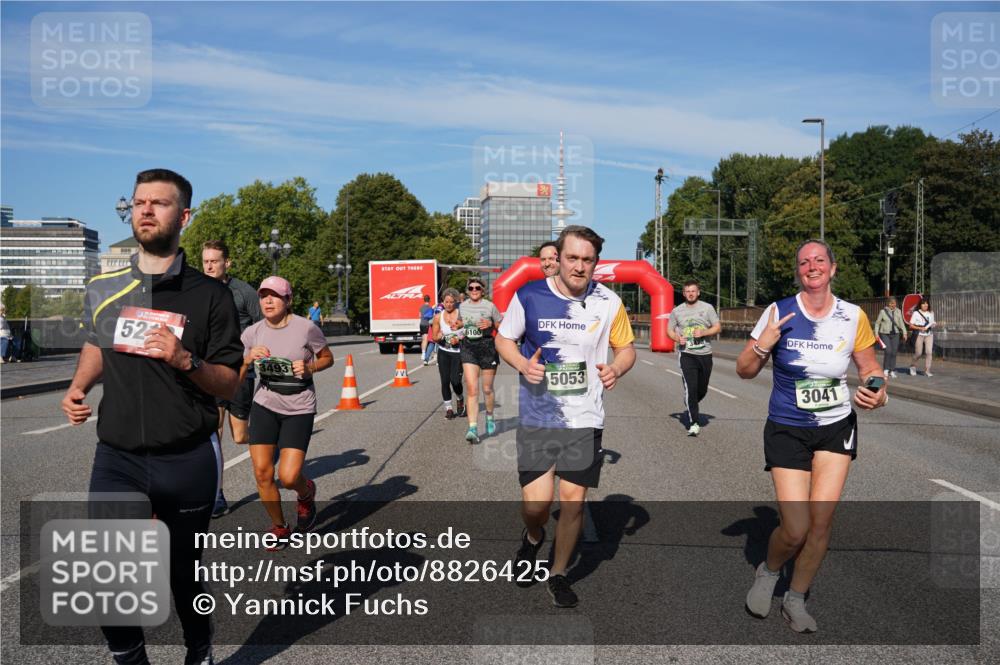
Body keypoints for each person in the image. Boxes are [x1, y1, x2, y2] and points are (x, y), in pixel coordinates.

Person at [60, 168, 243, 665]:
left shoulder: (212, 296)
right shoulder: (105, 285)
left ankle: (199, 648)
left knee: (182, 572)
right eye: (139, 202)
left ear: (183, 216)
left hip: (186, 458)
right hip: (117, 455)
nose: (144, 210)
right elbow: (97, 342)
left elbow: (230, 382)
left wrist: (187, 360)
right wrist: (79, 386)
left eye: (158, 203)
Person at [736, 239, 887, 634]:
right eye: (804, 262)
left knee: (821, 525)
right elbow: (744, 370)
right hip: (787, 427)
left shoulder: (853, 316)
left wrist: (877, 388)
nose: (812, 266)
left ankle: (796, 598)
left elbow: (870, 365)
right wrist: (762, 344)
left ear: (833, 269)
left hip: (835, 427)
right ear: (798, 272)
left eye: (819, 260)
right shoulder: (779, 312)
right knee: (796, 527)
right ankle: (769, 571)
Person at [497, 225, 636, 608]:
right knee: (537, 507)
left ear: (596, 263)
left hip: (584, 417)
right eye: (572, 258)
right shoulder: (530, 295)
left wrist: (617, 369)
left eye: (587, 260)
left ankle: (557, 575)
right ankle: (533, 538)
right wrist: (523, 364)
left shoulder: (608, 302)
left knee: (573, 502)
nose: (579, 267)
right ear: (558, 257)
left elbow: (626, 348)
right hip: (539, 416)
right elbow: (504, 338)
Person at [241, 275, 333, 549]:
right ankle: (279, 527)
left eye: (275, 295)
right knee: (262, 473)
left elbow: (326, 357)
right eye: (263, 295)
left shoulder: (306, 329)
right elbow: (239, 369)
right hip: (265, 404)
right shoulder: (252, 332)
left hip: (298, 406)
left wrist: (310, 368)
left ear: (288, 300)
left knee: (290, 476)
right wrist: (247, 359)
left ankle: (305, 494)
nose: (268, 300)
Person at [202, 239, 264, 518]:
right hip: (209, 371)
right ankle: (216, 495)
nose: (209, 266)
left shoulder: (244, 292)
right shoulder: (198, 291)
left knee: (240, 436)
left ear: (227, 263)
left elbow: (264, 323)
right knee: (213, 434)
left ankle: (266, 442)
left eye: (214, 261)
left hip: (240, 371)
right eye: (205, 261)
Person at [666, 279, 721, 436]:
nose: (690, 294)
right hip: (687, 354)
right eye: (687, 291)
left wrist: (704, 332)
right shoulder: (677, 311)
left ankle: (691, 401)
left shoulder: (707, 308)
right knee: (691, 388)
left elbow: (717, 327)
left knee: (701, 390)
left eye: (693, 291)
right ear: (684, 293)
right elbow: (669, 330)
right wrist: (677, 339)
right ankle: (694, 422)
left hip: (705, 354)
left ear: (698, 292)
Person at [459, 277, 503, 444]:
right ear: (468, 290)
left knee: (487, 389)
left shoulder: (490, 306)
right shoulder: (462, 306)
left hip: (487, 347)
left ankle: (490, 417)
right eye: (471, 288)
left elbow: (501, 327)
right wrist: (458, 327)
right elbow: (461, 324)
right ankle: (472, 428)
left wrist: (491, 324)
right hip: (468, 347)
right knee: (471, 388)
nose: (474, 290)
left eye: (477, 288)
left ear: (483, 290)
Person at [431, 288, 465, 419]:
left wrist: (460, 338)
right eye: (446, 302)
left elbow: (469, 331)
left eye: (451, 302)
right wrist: (438, 336)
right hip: (444, 352)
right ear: (443, 302)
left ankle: (460, 398)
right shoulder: (438, 317)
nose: (449, 304)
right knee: (445, 381)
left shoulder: (461, 315)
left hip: (458, 352)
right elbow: (434, 337)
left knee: (455, 381)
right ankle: (449, 408)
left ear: (455, 302)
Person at [873, 297, 908, 378]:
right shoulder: (883, 312)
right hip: (885, 333)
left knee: (894, 352)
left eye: (894, 303)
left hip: (896, 334)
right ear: (888, 304)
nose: (893, 305)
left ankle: (892, 370)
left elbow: (901, 323)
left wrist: (905, 333)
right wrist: (876, 334)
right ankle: (886, 369)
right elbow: (877, 323)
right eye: (891, 303)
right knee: (888, 351)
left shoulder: (898, 311)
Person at [908, 298, 935, 377]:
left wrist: (933, 324)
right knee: (918, 353)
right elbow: (911, 325)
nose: (925, 305)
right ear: (920, 305)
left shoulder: (931, 312)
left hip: (929, 334)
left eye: (926, 303)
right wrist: (920, 328)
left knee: (929, 352)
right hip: (919, 334)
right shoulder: (916, 313)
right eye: (923, 304)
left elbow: (932, 322)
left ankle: (927, 370)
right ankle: (913, 366)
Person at [419, 294, 436, 365]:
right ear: (429, 300)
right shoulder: (430, 308)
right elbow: (431, 317)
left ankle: (423, 352)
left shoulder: (421, 307)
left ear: (424, 300)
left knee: (423, 339)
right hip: (427, 325)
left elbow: (419, 315)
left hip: (421, 324)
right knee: (426, 339)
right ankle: (424, 355)